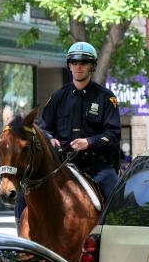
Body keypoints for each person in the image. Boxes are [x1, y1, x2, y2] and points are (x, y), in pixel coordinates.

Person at [15, 42, 121, 227]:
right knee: (23, 196)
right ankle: (23, 240)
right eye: (74, 62)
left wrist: (89, 142)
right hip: (62, 164)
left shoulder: (105, 97)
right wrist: (50, 139)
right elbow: (43, 128)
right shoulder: (58, 97)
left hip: (97, 167)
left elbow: (113, 135)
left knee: (117, 201)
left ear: (92, 66)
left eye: (84, 62)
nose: (78, 66)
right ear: (69, 65)